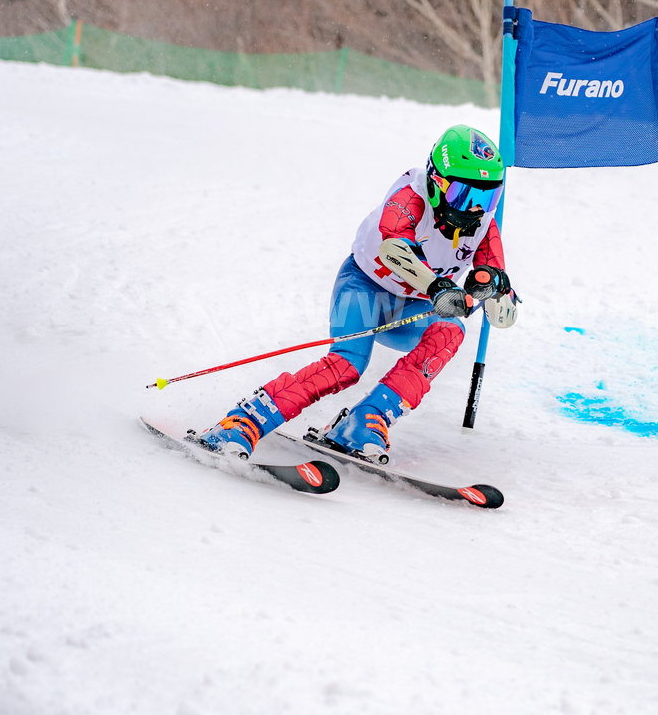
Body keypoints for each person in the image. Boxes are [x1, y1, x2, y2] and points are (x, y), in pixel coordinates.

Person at [196, 124, 517, 462]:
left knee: (451, 331)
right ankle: (241, 423)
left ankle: (366, 420)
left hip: (412, 310)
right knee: (346, 365)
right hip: (365, 289)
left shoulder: (483, 224)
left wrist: (492, 290)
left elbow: (504, 315)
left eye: (488, 196)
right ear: (437, 183)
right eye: (466, 196)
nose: (476, 209)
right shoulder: (411, 195)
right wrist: (438, 287)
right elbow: (395, 250)